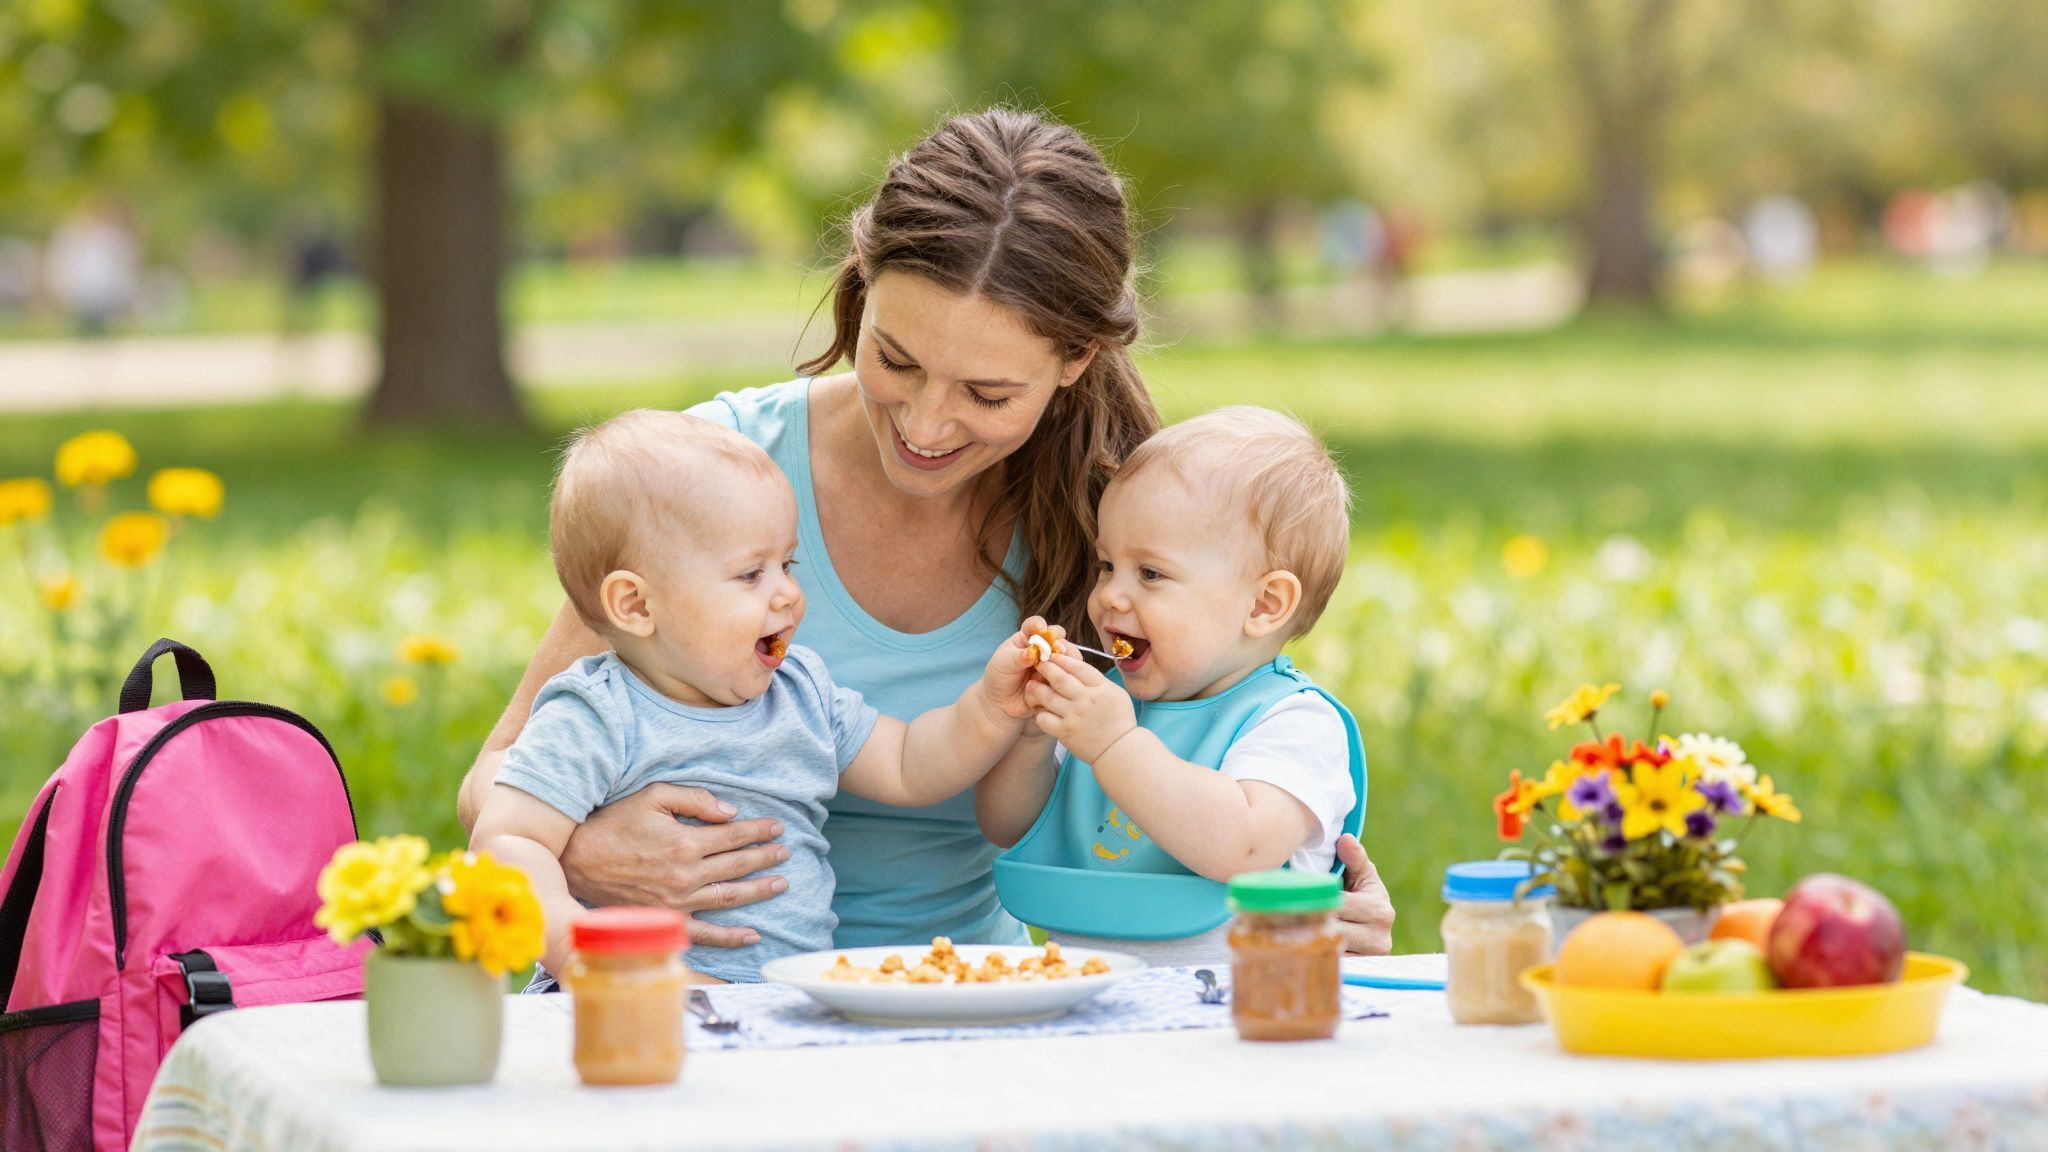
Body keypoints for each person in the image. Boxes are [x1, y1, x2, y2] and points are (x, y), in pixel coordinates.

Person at [457, 107, 1397, 956]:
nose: (926, 423)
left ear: (1077, 359)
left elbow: (1214, 748)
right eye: (897, 360)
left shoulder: (1120, 523)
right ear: (862, 291)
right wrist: (582, 850)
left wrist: (1316, 893)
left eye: (988, 394)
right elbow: (496, 777)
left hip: (959, 986)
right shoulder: (701, 482)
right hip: (682, 977)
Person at [470, 410, 1048, 982]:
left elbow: (908, 765)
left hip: (782, 1003)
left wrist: (993, 707)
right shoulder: (599, 714)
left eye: (787, 565)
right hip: (636, 996)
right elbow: (506, 839)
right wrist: (587, 957)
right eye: (751, 575)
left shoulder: (799, 691)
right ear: (638, 606)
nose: (789, 596)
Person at [980, 407, 1365, 965]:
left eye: (1151, 574)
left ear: (1263, 604)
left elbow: (1244, 845)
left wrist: (1114, 745)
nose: (1111, 594)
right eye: (1107, 564)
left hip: (1251, 1014)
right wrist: (1033, 735)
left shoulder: (1292, 723)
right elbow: (1008, 825)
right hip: (1096, 1001)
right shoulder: (1110, 707)